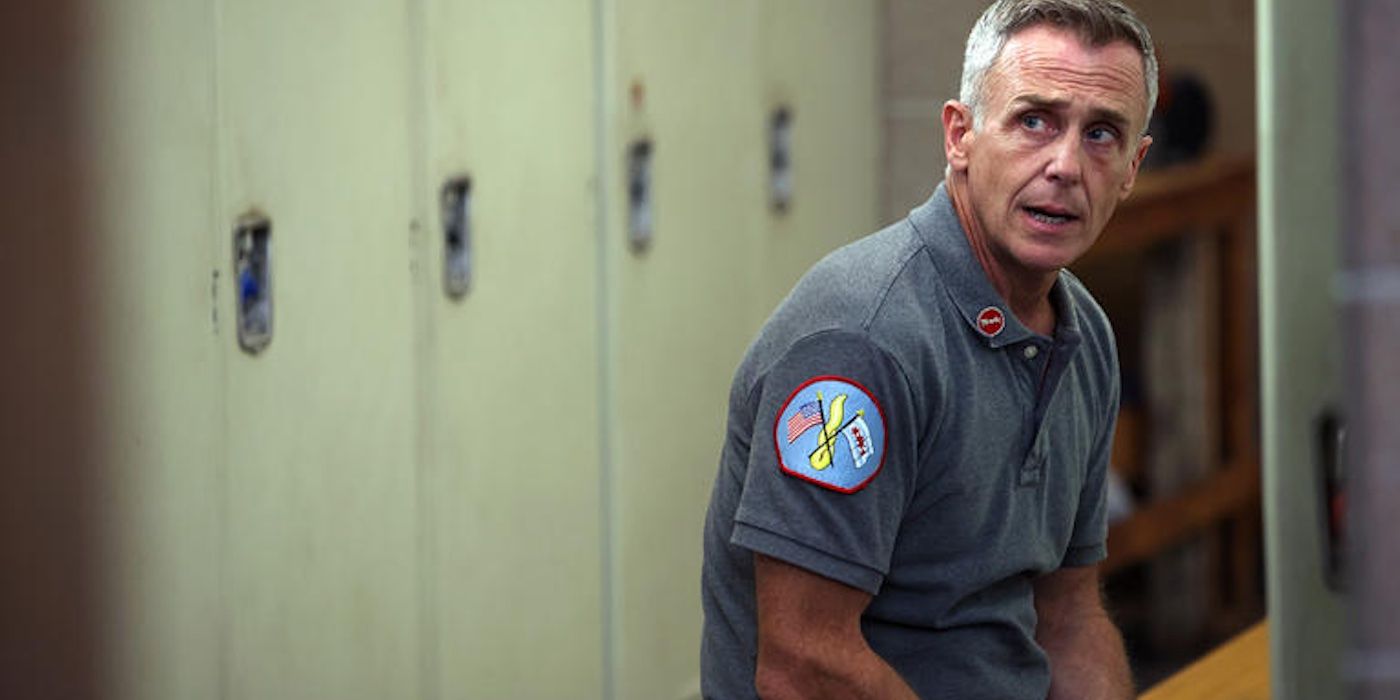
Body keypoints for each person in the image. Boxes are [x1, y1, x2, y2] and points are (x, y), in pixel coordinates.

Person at [700, 1, 1156, 697]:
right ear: (960, 136)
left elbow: (1068, 618)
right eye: (1034, 121)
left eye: (1101, 134)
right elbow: (802, 664)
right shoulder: (861, 340)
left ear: (1131, 168)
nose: (1065, 165)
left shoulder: (1082, 335)